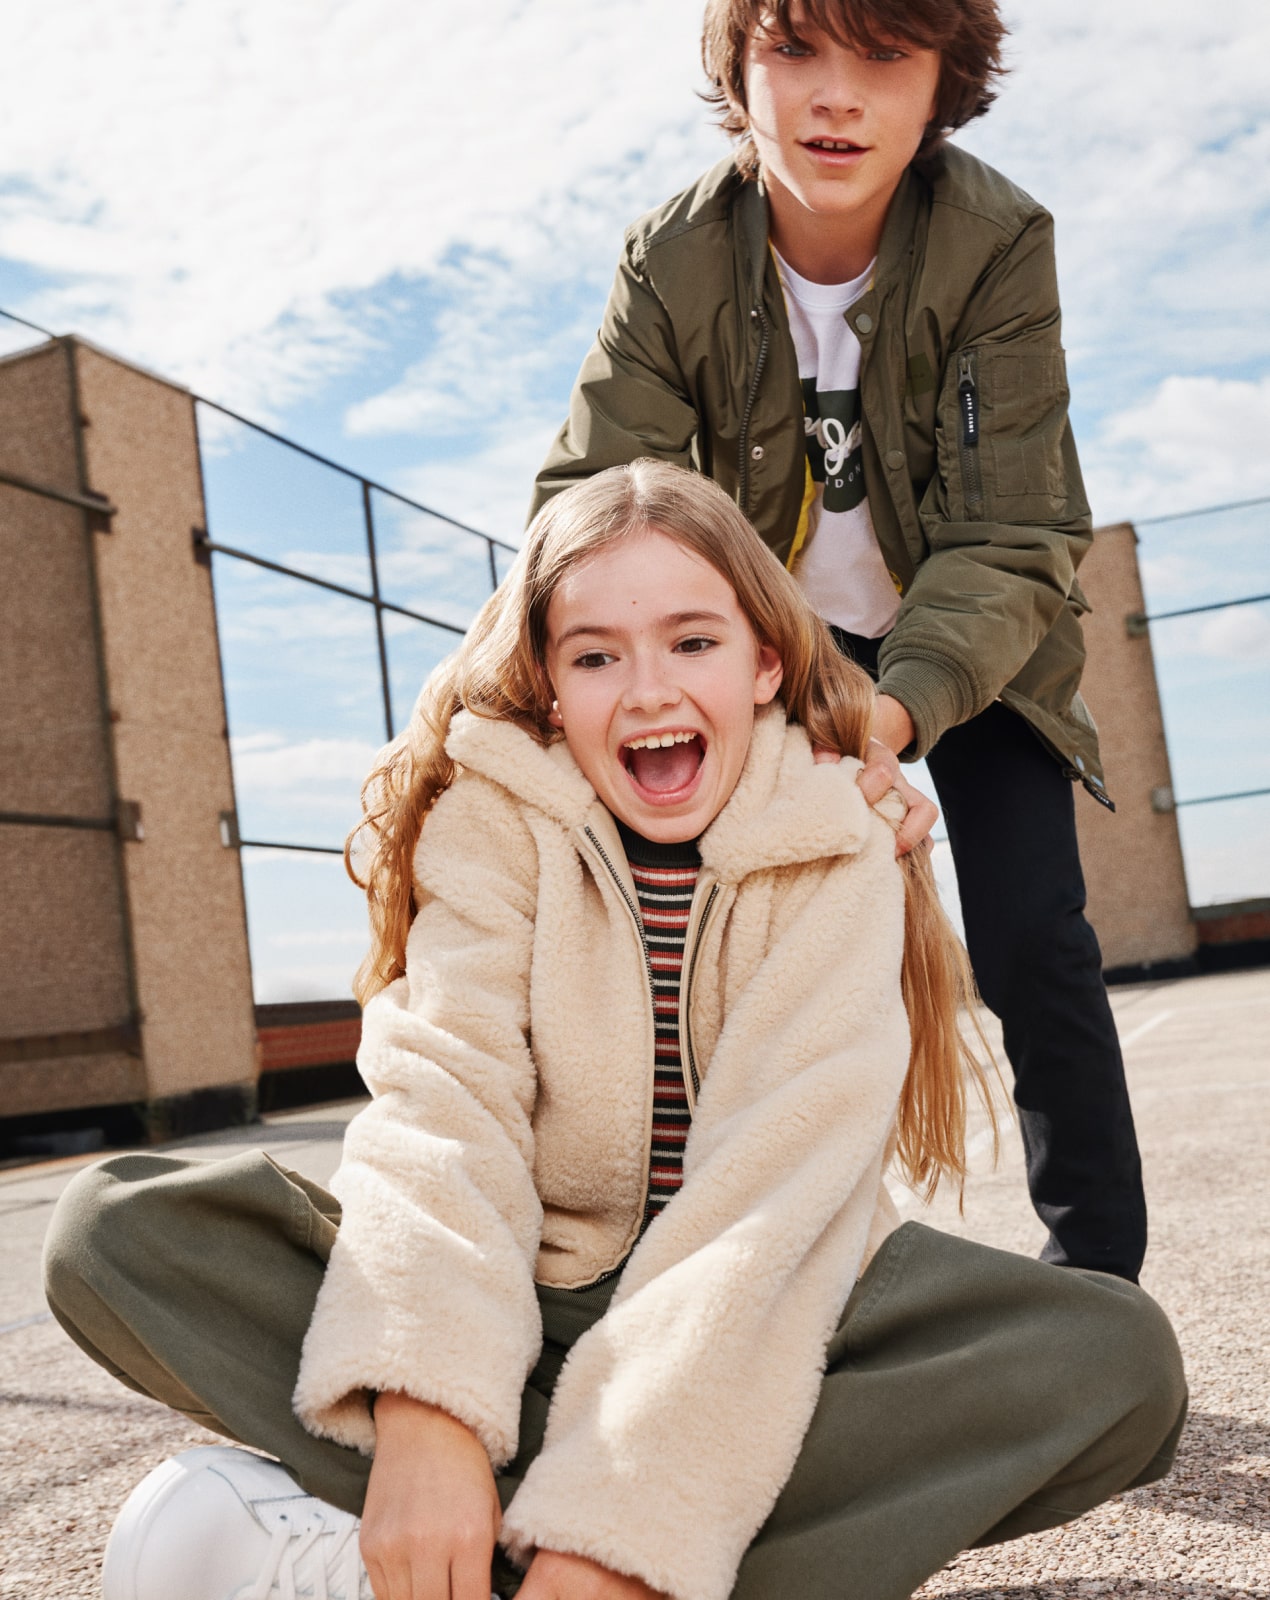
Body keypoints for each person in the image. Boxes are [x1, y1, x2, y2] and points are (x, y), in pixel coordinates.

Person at [45, 463, 1184, 1600]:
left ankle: (470, 1560)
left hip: (766, 1311)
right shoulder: (490, 820)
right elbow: (446, 1110)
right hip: (518, 1297)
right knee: (114, 1229)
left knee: (1114, 1359)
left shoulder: (839, 839)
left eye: (693, 642)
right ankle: (572, 1534)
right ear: (548, 689)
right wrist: (428, 1409)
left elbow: (766, 1207)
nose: (647, 691)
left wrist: (621, 1522)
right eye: (595, 657)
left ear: (764, 663)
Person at [531, 0, 1147, 1282]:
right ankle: (728, 1268)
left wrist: (896, 706)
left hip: (976, 635)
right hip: (773, 648)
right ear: (736, 66)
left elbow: (1015, 529)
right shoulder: (673, 258)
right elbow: (593, 502)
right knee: (722, 940)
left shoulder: (996, 241)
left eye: (883, 56)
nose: (835, 96)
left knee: (1033, 937)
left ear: (942, 82)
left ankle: (1096, 1282)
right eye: (795, 48)